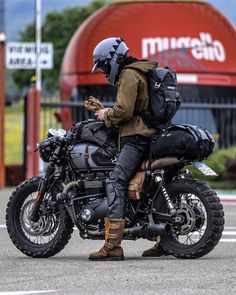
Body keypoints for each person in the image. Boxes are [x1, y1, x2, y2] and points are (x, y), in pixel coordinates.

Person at [89, 37, 168, 261]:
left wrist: (106, 115)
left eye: (104, 65)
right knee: (150, 188)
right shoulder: (139, 71)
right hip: (148, 135)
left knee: (116, 181)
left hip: (136, 138)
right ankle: (166, 241)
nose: (105, 71)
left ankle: (113, 246)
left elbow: (124, 111)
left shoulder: (129, 74)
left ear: (114, 59)